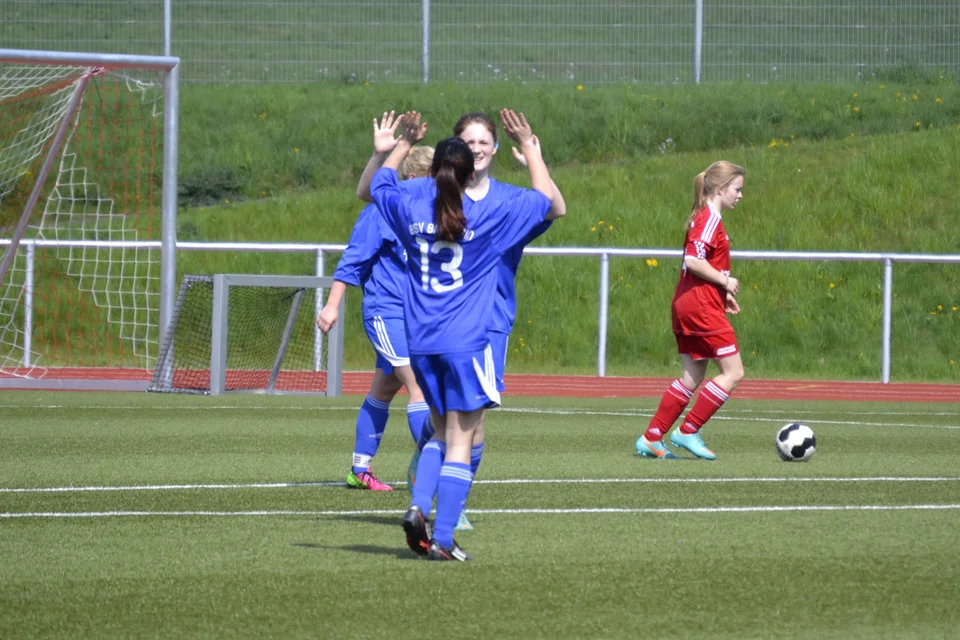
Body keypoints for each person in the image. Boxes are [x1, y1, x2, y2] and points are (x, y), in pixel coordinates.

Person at [370, 109, 563, 561]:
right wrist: (531, 148)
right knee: (463, 440)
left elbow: (378, 186)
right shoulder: (493, 214)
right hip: (467, 342)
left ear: (434, 167)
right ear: (469, 165)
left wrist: (398, 147)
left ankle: (419, 507)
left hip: (421, 342)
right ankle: (443, 537)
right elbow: (549, 202)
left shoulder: (413, 204)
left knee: (441, 434)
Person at [317, 146, 436, 491]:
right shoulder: (382, 211)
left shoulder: (429, 215)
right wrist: (332, 304)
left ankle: (359, 469)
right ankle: (431, 478)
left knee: (383, 390)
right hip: (386, 312)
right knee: (419, 388)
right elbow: (353, 259)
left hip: (417, 317)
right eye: (433, 177)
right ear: (412, 178)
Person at [635, 160, 745, 460]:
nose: (740, 195)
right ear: (721, 189)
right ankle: (688, 430)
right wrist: (725, 279)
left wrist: (721, 293)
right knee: (733, 372)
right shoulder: (709, 218)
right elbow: (694, 261)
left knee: (692, 377)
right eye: (737, 189)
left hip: (691, 302)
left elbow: (700, 265)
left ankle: (652, 437)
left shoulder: (704, 217)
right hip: (700, 308)